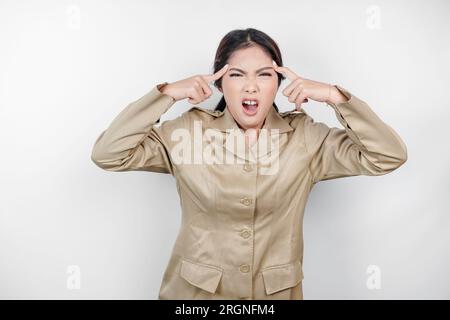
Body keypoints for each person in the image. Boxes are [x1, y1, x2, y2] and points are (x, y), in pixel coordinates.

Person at [90, 28, 407, 300]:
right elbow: (108, 153)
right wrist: (168, 94)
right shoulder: (186, 132)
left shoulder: (307, 137)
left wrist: (334, 96)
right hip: (195, 296)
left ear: (278, 83)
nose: (251, 86)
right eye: (236, 75)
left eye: (265, 75)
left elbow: (388, 155)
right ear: (219, 83)